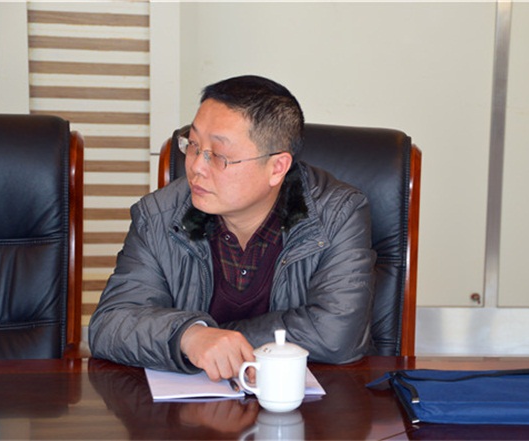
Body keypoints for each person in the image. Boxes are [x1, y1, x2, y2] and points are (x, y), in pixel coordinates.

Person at [89, 75, 376, 381]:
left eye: (218, 156)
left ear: (277, 167)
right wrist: (189, 336)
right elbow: (109, 325)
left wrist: (216, 339)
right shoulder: (158, 215)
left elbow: (336, 333)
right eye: (193, 145)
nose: (196, 167)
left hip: (302, 401)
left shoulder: (337, 215)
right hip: (189, 406)